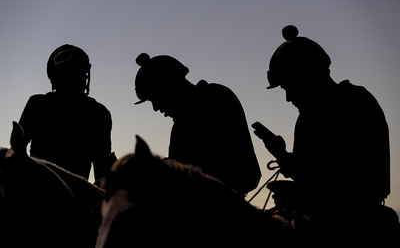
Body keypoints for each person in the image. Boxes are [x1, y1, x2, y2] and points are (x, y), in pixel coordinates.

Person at [253, 25, 397, 242]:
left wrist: (301, 195)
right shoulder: (308, 118)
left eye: (289, 87)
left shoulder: (355, 103)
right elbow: (311, 172)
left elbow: (360, 182)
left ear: (310, 76)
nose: (288, 98)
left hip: (357, 229)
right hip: (321, 222)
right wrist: (281, 153)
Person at [134, 53, 261, 196]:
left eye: (155, 98)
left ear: (170, 87)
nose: (156, 108)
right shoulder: (179, 128)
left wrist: (167, 167)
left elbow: (225, 161)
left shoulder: (215, 98)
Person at [19, 44, 116, 181]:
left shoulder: (99, 112)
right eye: (70, 74)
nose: (77, 79)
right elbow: (17, 149)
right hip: (41, 191)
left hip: (65, 195)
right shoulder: (37, 104)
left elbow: (102, 167)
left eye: (80, 73)